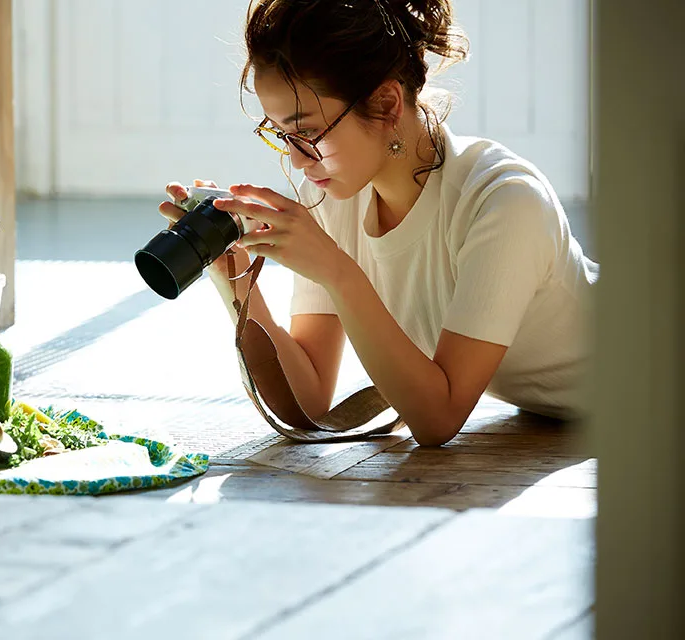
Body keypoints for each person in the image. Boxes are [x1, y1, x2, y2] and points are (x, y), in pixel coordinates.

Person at [158, 0, 597, 446]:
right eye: (280, 135)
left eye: (307, 132)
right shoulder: (334, 197)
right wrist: (236, 283)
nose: (294, 159)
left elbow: (438, 419)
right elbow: (309, 402)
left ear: (387, 104)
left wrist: (336, 270)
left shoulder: (503, 200)